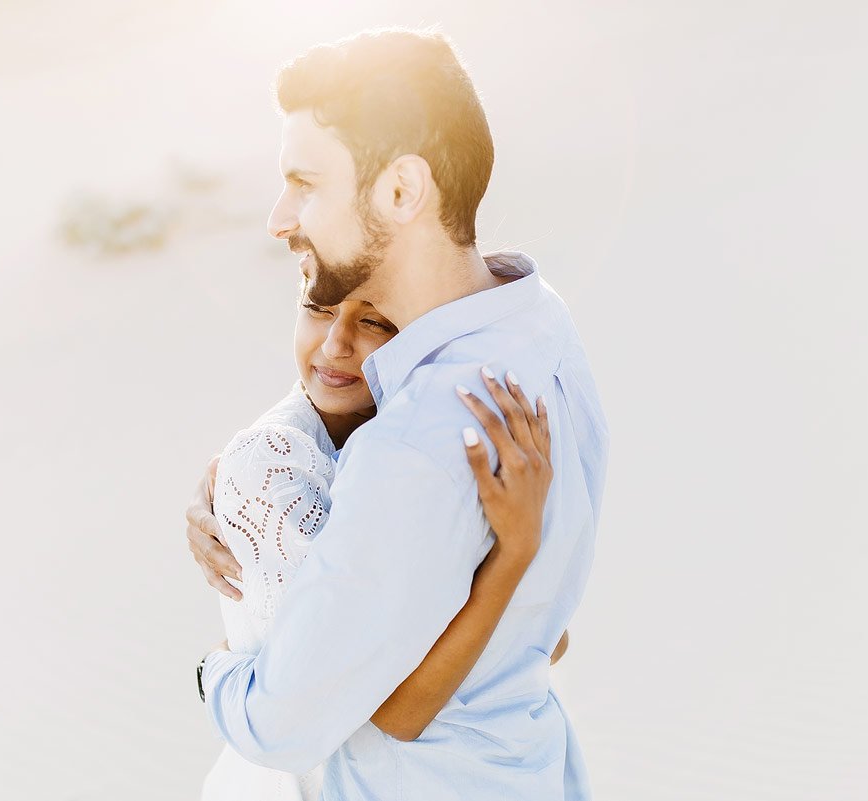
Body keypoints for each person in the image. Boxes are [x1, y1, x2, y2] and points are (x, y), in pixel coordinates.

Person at [184, 28, 608, 800]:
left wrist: (216, 664)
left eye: (306, 182)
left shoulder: (416, 446)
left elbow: (284, 724)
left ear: (403, 191)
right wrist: (255, 470)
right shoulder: (538, 323)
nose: (280, 217)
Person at [196, 289, 562, 800]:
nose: (335, 344)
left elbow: (549, 643)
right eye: (316, 308)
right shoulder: (274, 465)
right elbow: (398, 711)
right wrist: (516, 553)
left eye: (375, 323)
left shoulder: (443, 438)